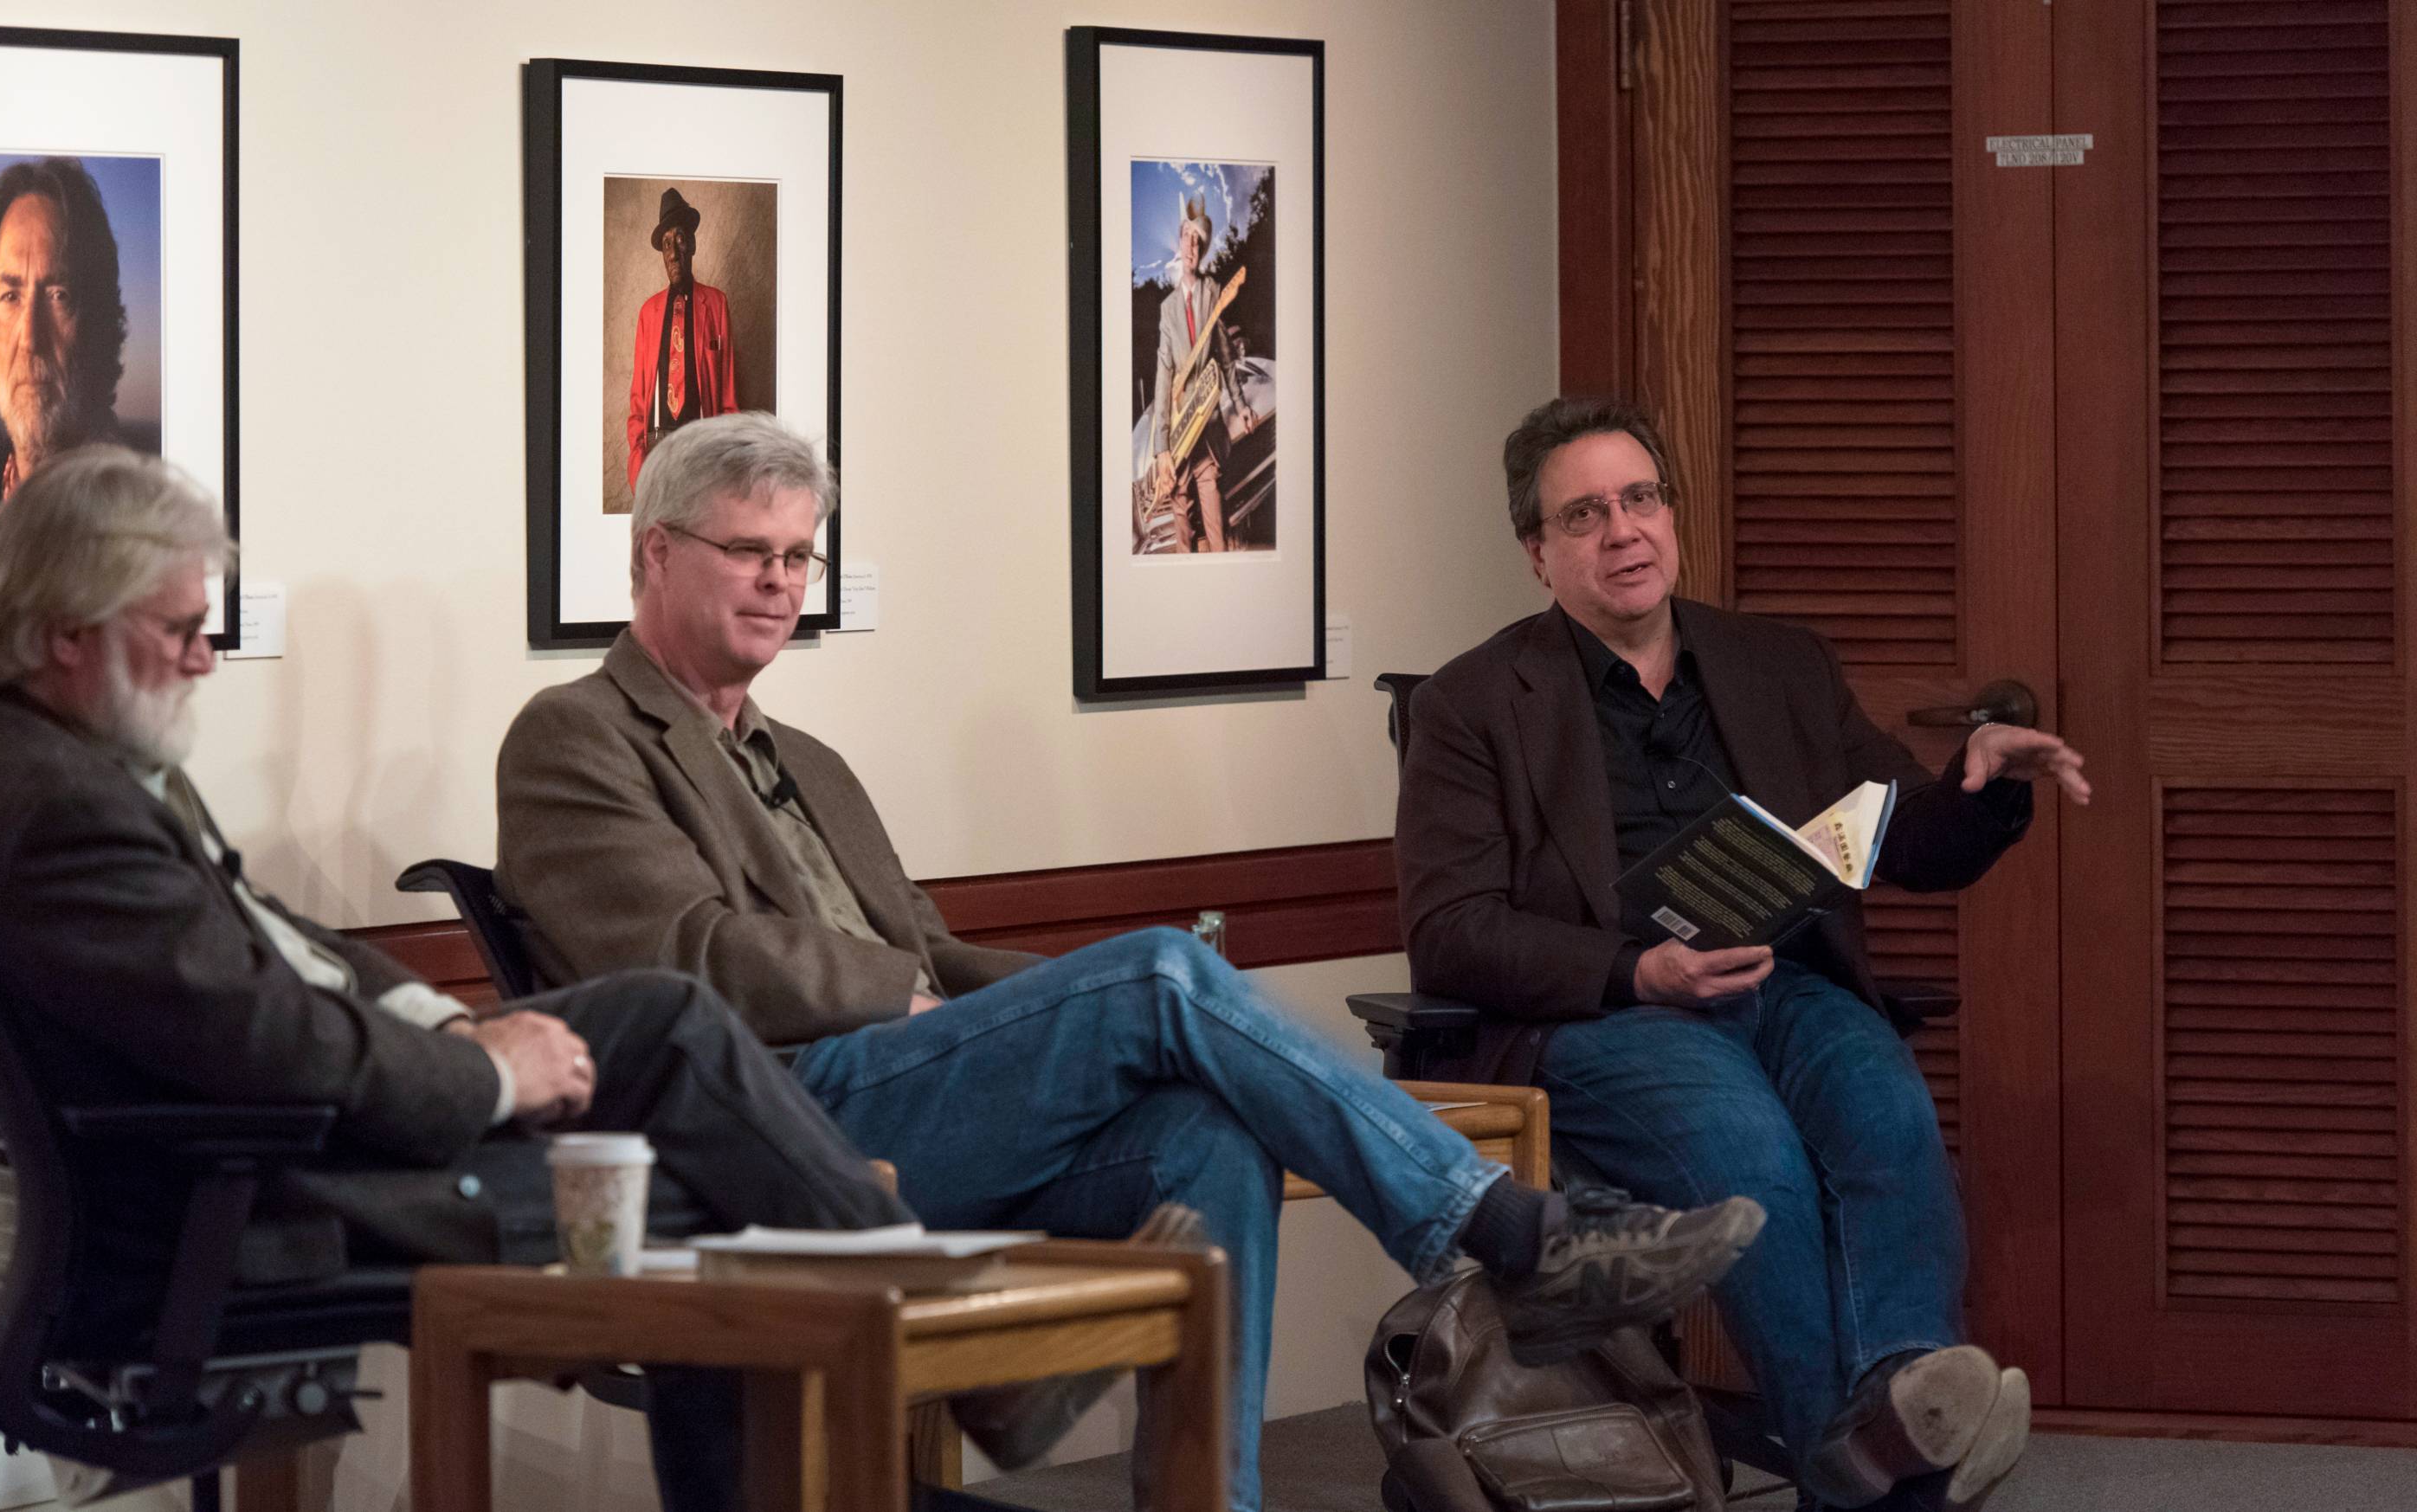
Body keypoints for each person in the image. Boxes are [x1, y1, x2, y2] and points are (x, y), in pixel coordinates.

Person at [493, 411, 1768, 1512]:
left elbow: (931, 950)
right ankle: (1501, 1226)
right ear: (654, 553)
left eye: (796, 556)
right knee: (1159, 974)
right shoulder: (575, 737)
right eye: (749, 553)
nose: (779, 582)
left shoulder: (808, 761)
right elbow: (683, 957)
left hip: (901, 1097)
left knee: (1203, 1132)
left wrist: (1088, 999)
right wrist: (1054, 991)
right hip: (765, 1124)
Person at [0, 446, 1096, 1510]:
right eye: (181, 631)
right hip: (248, 1207)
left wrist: (445, 1021)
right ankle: (973, 1368)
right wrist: (485, 1076)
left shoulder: (33, 753)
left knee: (662, 1019)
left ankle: (952, 1372)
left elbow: (280, 942)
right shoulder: (55, 805)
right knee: (706, 1192)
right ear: (66, 631)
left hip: (262, 1159)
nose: (207, 659)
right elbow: (261, 1040)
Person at [1395, 396, 2094, 1512]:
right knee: (1752, 1157)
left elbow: (1899, 838)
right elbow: (1451, 930)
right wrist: (1637, 970)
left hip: (1787, 984)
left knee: (1886, 1117)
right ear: (1536, 552)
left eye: (1639, 499)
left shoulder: (1777, 663)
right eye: (1583, 514)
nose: (1622, 531)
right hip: (1613, 1012)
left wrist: (1983, 783)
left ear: (1670, 515)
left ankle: (1886, 1417)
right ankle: (1876, 1472)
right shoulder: (1472, 704)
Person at [0, 157, 136, 527]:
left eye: (59, 296)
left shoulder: (142, 526)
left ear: (100, 326)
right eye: (10, 297)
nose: (30, 339)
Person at [1146, 195, 1246, 553]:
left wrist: (1240, 405)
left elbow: (1226, 357)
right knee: (1182, 529)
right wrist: (1162, 448)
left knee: (1217, 529)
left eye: (1197, 241)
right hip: (1179, 434)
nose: (1191, 246)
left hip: (1208, 430)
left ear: (1201, 250)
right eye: (1186, 236)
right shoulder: (1167, 309)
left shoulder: (1213, 291)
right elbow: (1163, 375)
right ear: (1178, 241)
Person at [625, 187, 740, 494]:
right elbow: (637, 401)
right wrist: (639, 463)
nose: (674, 253)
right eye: (666, 245)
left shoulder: (716, 305)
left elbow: (729, 399)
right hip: (656, 453)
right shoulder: (648, 313)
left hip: (703, 451)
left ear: (692, 244)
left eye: (679, 239)